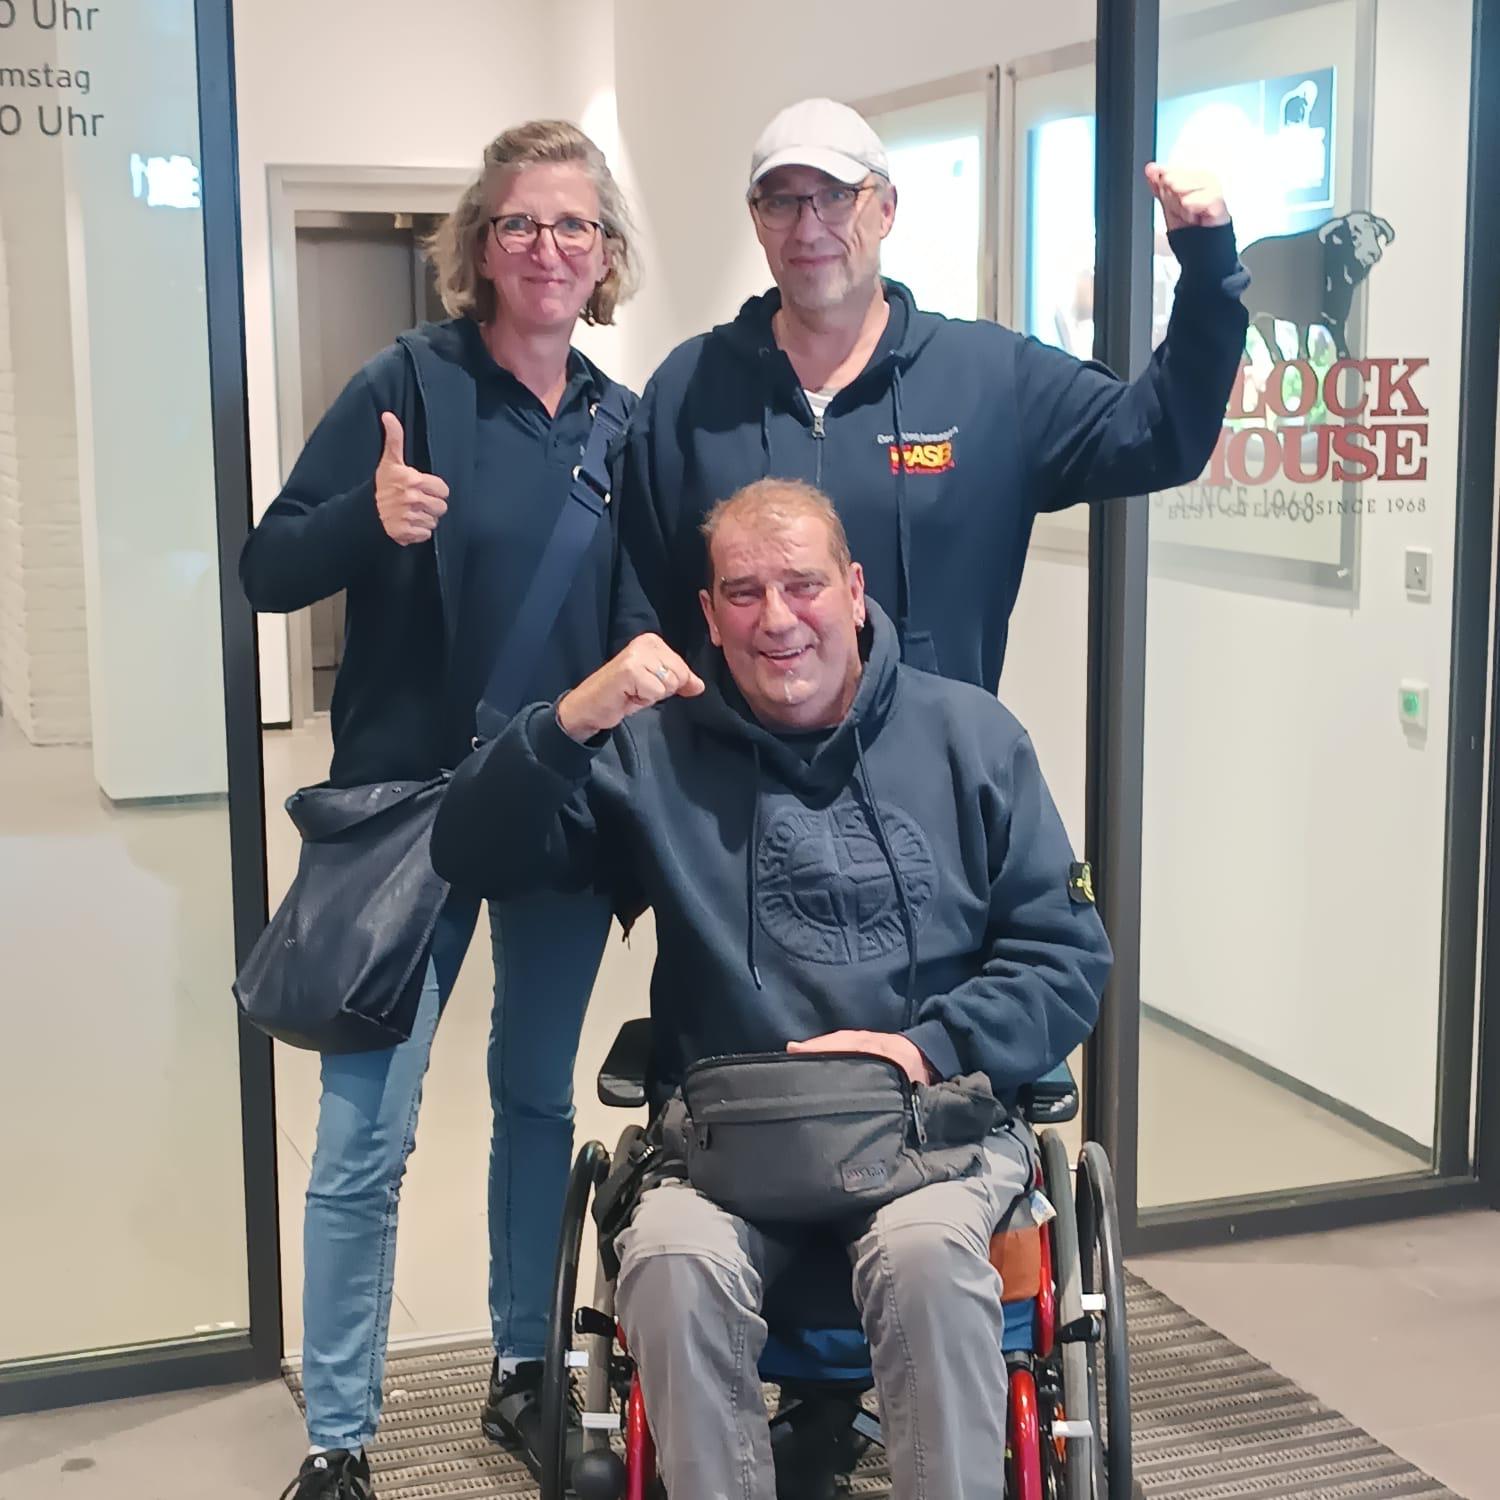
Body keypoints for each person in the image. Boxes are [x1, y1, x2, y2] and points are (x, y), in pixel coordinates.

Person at [431, 478, 1113, 1500]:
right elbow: (467, 848)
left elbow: (1065, 956)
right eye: (744, 594)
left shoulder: (974, 737)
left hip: (931, 1133)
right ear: (708, 616)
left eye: (803, 585)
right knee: (667, 1263)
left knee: (928, 1259)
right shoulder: (653, 750)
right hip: (727, 1150)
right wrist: (570, 720)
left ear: (855, 590)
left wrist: (928, 1046)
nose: (778, 619)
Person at [241, 120, 643, 1500]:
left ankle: (522, 1370)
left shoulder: (621, 425)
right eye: (520, 222)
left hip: (560, 810)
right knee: (368, 1132)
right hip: (410, 817)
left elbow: (637, 618)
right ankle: (340, 1436)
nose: (548, 247)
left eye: (574, 225)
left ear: (605, 252)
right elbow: (266, 569)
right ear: (478, 243)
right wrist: (366, 516)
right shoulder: (405, 383)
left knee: (534, 1099)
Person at [617, 96, 1248, 691]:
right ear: (757, 220)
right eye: (781, 202)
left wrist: (1208, 271)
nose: (808, 229)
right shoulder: (690, 390)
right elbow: (638, 614)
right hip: (730, 769)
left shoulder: (988, 380)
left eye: (836, 196)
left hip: (932, 769)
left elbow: (1161, 434)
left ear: (887, 209)